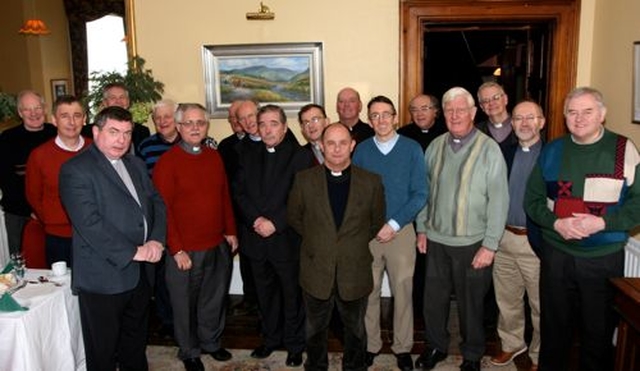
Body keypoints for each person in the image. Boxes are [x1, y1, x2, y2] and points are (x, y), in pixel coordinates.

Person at [524, 87, 640, 371]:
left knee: (597, 333)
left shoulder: (624, 149)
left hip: (603, 257)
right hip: (557, 255)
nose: (579, 118)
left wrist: (603, 222)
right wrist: (556, 223)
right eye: (572, 112)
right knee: (554, 330)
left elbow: (638, 203)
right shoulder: (552, 150)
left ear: (602, 114)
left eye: (587, 111)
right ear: (565, 117)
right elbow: (532, 200)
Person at [59, 106, 166, 371]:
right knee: (103, 353)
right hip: (103, 279)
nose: (122, 140)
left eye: (127, 133)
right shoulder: (76, 170)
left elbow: (156, 203)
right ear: (96, 132)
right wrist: (134, 251)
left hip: (140, 274)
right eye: (114, 132)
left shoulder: (136, 164)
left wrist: (156, 240)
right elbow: (89, 224)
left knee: (135, 344)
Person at [415, 87, 508, 371]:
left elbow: (499, 200)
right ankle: (436, 346)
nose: (455, 115)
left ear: (473, 113)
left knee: (471, 305)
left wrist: (490, 245)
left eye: (461, 110)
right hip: (436, 239)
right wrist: (421, 228)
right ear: (443, 114)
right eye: (449, 110)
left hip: (473, 244)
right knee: (434, 301)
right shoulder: (435, 146)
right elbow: (424, 191)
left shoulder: (489, 149)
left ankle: (472, 354)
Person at [288, 123, 386, 371]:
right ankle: (316, 367)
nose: (337, 148)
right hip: (316, 268)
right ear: (321, 145)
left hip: (354, 268)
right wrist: (321, 241)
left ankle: (354, 366)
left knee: (355, 329)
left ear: (352, 145)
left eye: (343, 142)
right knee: (314, 330)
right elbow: (295, 218)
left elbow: (375, 223)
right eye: (330, 143)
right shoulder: (304, 180)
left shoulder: (371, 182)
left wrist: (348, 245)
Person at [153, 103, 238, 371]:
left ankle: (211, 342)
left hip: (216, 244)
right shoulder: (167, 162)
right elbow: (162, 210)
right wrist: (176, 249)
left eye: (200, 123)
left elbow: (224, 196)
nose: (194, 128)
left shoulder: (214, 156)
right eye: (188, 123)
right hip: (184, 251)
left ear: (206, 126)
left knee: (213, 300)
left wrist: (231, 230)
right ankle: (189, 351)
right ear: (178, 127)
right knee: (184, 304)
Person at [352, 96, 428, 371]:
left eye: (386, 114)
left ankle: (402, 348)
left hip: (402, 231)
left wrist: (394, 224)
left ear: (395, 117)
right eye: (375, 115)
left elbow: (420, 193)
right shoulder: (361, 151)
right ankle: (372, 345)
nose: (381, 120)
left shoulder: (412, 149)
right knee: (368, 292)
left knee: (403, 292)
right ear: (369, 120)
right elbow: (356, 193)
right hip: (368, 234)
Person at [234, 104, 313, 367]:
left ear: (284, 126)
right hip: (255, 238)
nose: (268, 129)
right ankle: (270, 339)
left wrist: (275, 223)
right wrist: (256, 220)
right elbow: (240, 193)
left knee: (291, 295)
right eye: (263, 124)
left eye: (273, 124)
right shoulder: (247, 154)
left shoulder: (299, 156)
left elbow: (299, 198)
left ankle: (294, 345)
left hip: (285, 239)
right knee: (264, 294)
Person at [490, 101, 545, 371]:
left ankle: (538, 354)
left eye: (530, 118)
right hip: (503, 239)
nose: (524, 124)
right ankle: (512, 343)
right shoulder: (503, 152)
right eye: (518, 119)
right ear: (511, 123)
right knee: (507, 300)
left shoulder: (552, 155)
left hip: (535, 242)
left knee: (540, 303)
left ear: (542, 122)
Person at [25, 95, 92, 266]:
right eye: (64, 116)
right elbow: (33, 195)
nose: (71, 122)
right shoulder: (39, 155)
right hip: (58, 237)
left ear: (84, 119)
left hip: (95, 236)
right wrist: (51, 220)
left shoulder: (96, 151)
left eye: (77, 116)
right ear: (54, 120)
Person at [398, 93, 447, 316]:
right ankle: (417, 310)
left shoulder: (447, 134)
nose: (419, 114)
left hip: (440, 209)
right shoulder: (402, 135)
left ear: (436, 111)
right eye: (414, 109)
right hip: (411, 208)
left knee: (437, 267)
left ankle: (437, 309)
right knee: (414, 266)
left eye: (425, 108)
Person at [0, 90, 56, 253]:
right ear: (20, 113)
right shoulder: (7, 138)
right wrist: (32, 210)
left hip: (53, 212)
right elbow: (6, 180)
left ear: (45, 109)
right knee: (22, 261)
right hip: (19, 214)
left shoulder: (55, 133)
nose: (34, 113)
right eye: (27, 109)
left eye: (37, 108)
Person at [81, 82, 151, 154]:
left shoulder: (142, 132)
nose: (118, 101)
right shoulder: (87, 132)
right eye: (113, 98)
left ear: (128, 102)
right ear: (105, 103)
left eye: (122, 97)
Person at [137, 99, 180, 175]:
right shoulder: (145, 146)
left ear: (177, 119)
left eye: (167, 116)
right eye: (158, 118)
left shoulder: (189, 143)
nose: (162, 121)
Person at [476, 82, 517, 154]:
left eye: (496, 98)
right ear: (481, 106)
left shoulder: (521, 126)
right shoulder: (476, 132)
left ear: (505, 99)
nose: (491, 103)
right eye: (486, 101)